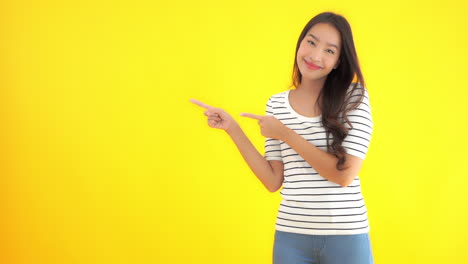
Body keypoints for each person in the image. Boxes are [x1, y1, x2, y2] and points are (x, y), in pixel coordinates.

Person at [190, 11, 374, 264]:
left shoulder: (354, 97)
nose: (315, 56)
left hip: (346, 235)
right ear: (300, 43)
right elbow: (273, 181)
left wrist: (286, 134)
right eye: (311, 42)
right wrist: (232, 127)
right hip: (292, 237)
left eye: (329, 51)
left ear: (339, 61)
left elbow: (344, 175)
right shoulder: (276, 104)